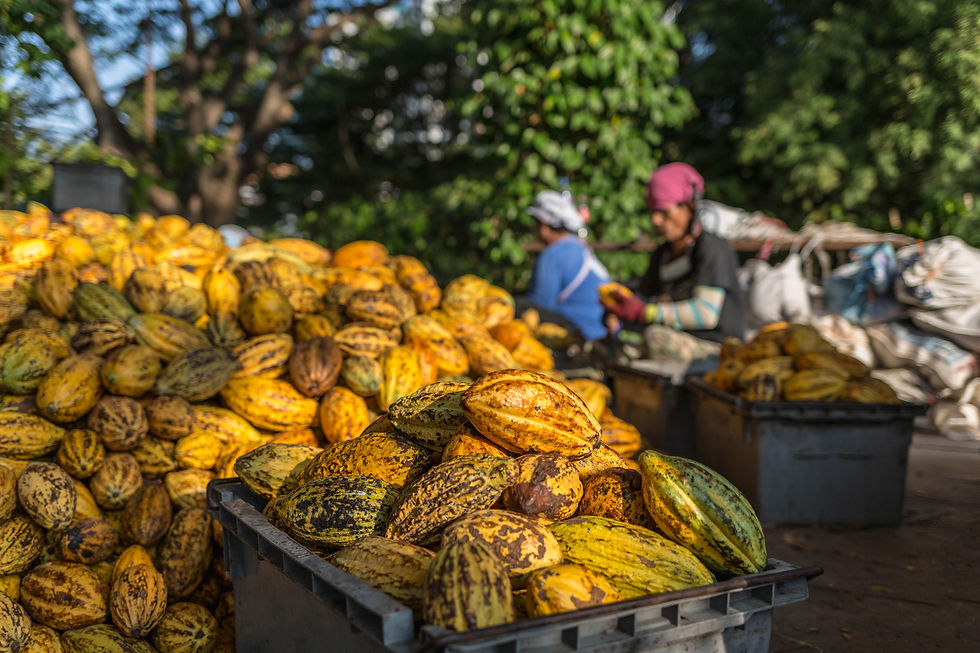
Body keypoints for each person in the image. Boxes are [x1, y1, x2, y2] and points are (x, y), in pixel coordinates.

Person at [605, 162, 746, 364]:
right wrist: (618, 309)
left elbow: (706, 314)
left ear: (690, 207)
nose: (656, 221)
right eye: (653, 212)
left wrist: (645, 312)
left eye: (664, 212)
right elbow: (645, 295)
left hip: (717, 349)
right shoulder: (662, 254)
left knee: (655, 337)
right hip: (678, 338)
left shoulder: (713, 249)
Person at [520, 189, 611, 342]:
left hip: (582, 332)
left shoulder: (552, 255)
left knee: (519, 306)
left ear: (543, 224)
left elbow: (538, 306)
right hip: (602, 329)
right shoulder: (578, 246)